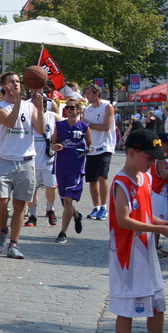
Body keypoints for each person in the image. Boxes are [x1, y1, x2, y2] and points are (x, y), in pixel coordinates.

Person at [108, 130, 168, 333]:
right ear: (131, 153)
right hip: (127, 254)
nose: (152, 163)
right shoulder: (122, 182)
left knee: (156, 302)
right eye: (148, 158)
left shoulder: (144, 177)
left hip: (146, 250)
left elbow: (145, 214)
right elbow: (123, 219)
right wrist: (158, 229)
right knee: (127, 307)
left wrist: (162, 222)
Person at [0, 71, 46, 259]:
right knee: (2, 202)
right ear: (4, 86)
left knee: (20, 206)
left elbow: (41, 129)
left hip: (26, 161)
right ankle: (3, 230)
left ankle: (14, 243)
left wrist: (40, 108)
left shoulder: (29, 106)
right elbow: (10, 122)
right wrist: (19, 101)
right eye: (12, 81)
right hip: (5, 161)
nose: (16, 84)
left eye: (18, 81)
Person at [52, 100, 90, 242]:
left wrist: (87, 150)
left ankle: (63, 233)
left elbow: (90, 146)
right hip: (61, 167)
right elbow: (53, 143)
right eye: (66, 107)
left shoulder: (84, 127)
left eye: (71, 107)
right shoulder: (60, 125)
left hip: (76, 167)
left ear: (78, 110)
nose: (68, 109)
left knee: (68, 200)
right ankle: (77, 216)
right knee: (64, 201)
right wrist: (55, 146)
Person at [82, 82, 116, 220]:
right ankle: (96, 207)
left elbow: (106, 126)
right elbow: (83, 128)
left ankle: (104, 207)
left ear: (97, 94)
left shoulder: (107, 107)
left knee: (103, 176)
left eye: (89, 93)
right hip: (91, 148)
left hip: (105, 146)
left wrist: (89, 125)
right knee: (91, 180)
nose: (87, 96)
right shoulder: (87, 110)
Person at [27, 93, 60, 229]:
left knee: (51, 187)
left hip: (48, 159)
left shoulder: (53, 117)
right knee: (32, 190)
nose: (42, 106)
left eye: (44, 104)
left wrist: (57, 141)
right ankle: (32, 215)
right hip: (32, 159)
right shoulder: (29, 117)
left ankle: (50, 209)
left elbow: (66, 128)